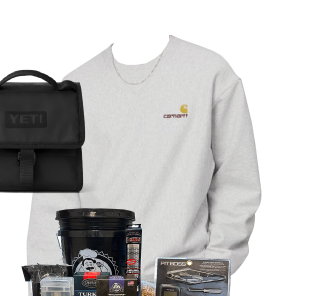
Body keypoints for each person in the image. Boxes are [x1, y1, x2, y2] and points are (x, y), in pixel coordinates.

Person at [26, 35, 261, 283]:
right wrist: (51, 288)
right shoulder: (76, 84)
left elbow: (237, 181)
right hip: (94, 287)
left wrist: (210, 271)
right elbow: (52, 200)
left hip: (184, 286)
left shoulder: (209, 72)